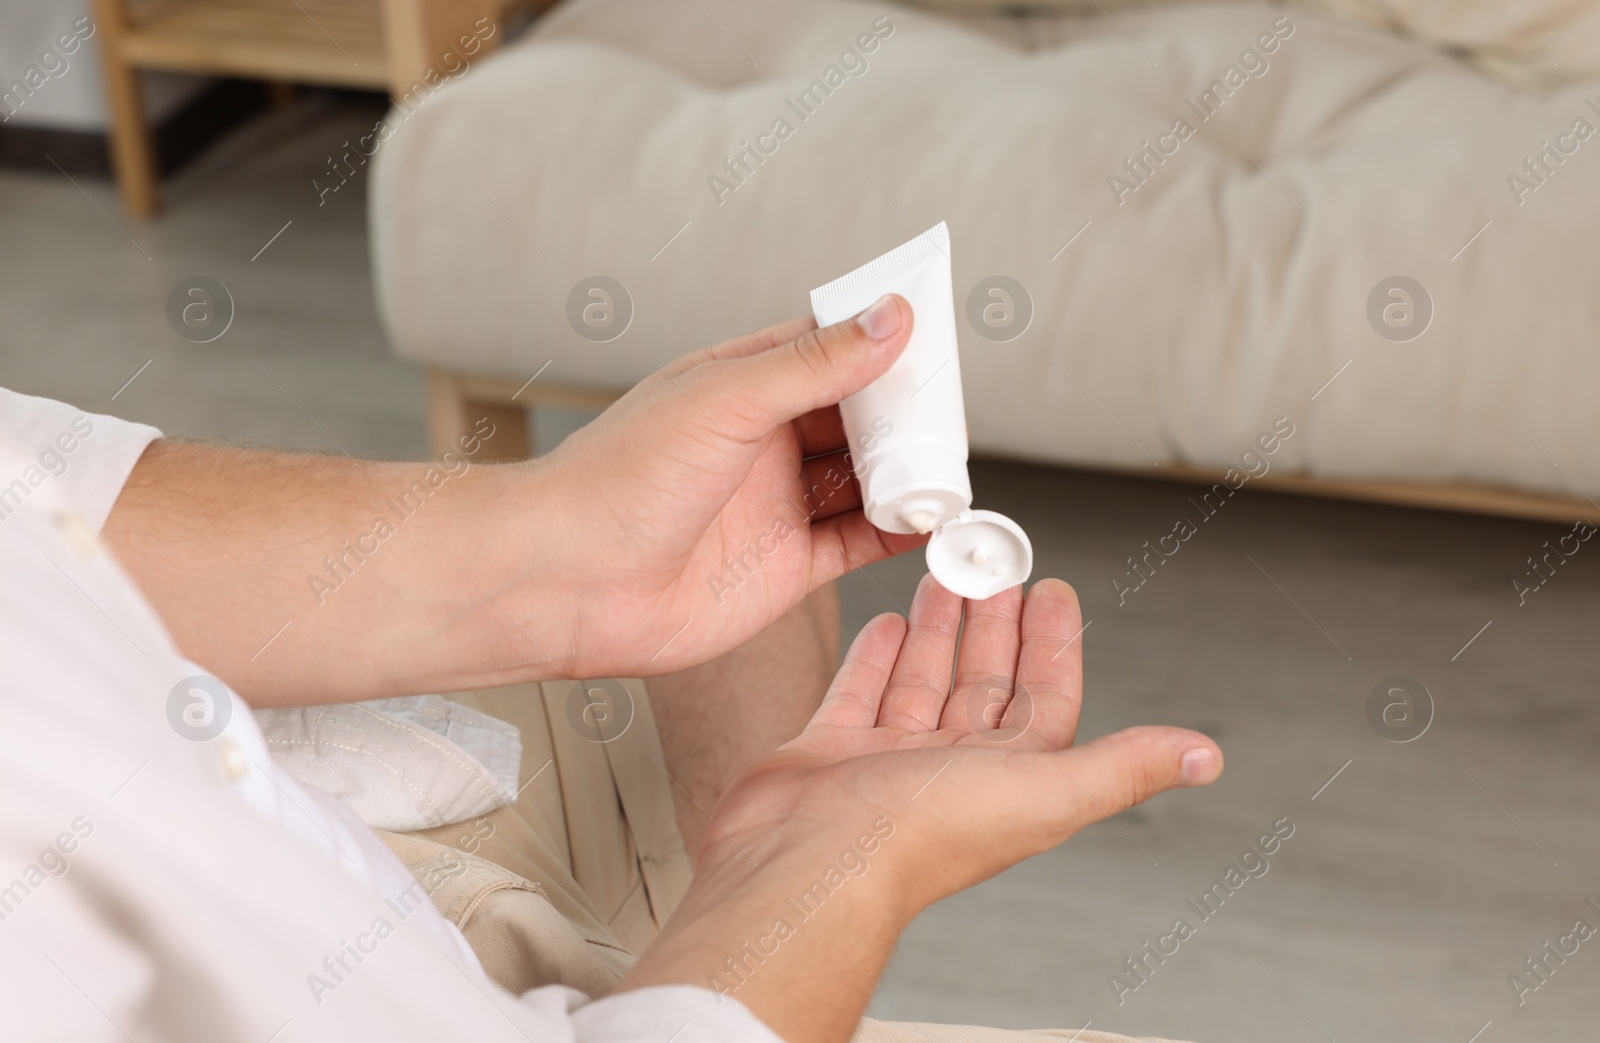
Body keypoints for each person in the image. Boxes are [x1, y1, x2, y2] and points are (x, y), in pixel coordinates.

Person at [0, 294, 1221, 1042]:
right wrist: (830, 865)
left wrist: (552, 547)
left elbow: (42, 496)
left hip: (317, 764)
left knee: (735, 553)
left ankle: (702, 943)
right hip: (356, 970)